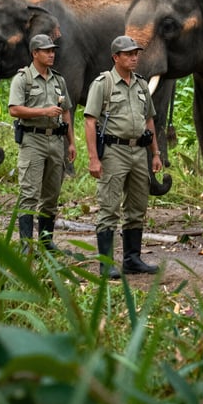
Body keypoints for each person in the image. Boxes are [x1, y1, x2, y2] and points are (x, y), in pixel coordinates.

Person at [84, 35, 162, 279]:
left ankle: (132, 259)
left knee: (137, 206)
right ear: (115, 57)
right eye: (129, 54)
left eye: (136, 53)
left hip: (139, 151)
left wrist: (156, 153)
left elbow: (149, 119)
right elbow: (90, 121)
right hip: (114, 151)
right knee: (109, 206)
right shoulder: (103, 83)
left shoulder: (141, 85)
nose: (134, 57)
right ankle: (106, 263)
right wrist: (94, 158)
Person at [8, 33, 76, 253]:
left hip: (56, 141)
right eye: (46, 50)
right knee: (29, 192)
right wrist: (43, 111)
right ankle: (26, 245)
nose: (51, 54)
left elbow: (66, 112)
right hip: (32, 140)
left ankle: (46, 242)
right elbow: (14, 109)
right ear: (34, 53)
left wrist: (71, 143)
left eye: (53, 50)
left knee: (52, 194)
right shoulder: (23, 79)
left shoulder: (59, 80)